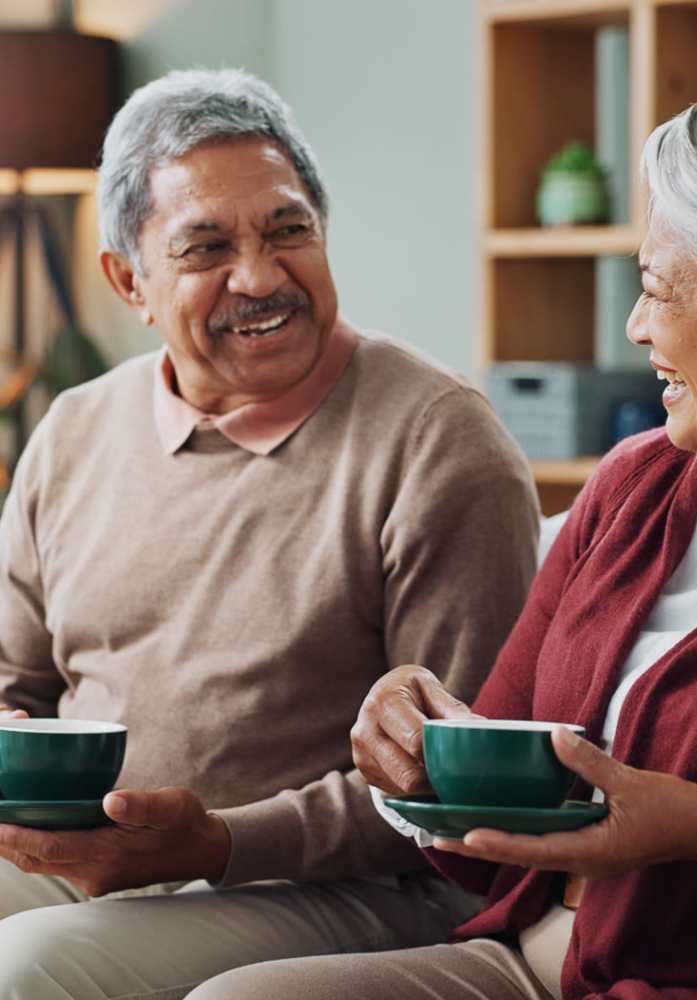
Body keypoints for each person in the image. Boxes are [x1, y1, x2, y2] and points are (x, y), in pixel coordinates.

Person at [189, 46, 697, 1000]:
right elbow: (489, 840)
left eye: (658, 287)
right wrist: (421, 754)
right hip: (534, 960)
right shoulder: (638, 482)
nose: (636, 327)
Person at [0, 69, 540, 999]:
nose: (259, 278)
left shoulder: (437, 438)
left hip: (360, 886)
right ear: (129, 280)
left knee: (35, 967)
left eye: (289, 232)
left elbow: (465, 788)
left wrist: (218, 842)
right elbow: (14, 685)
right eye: (207, 247)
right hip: (105, 858)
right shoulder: (75, 430)